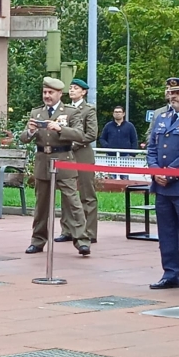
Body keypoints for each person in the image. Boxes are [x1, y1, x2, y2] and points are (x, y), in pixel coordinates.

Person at [20, 77, 91, 256]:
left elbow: (81, 135)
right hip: (43, 161)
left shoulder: (70, 112)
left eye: (50, 93)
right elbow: (23, 138)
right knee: (41, 205)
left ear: (60, 94)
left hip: (64, 160)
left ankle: (82, 240)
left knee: (73, 203)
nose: (47, 96)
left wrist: (60, 129)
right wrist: (30, 131)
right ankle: (37, 240)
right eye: (45, 92)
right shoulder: (36, 112)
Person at [147, 77, 179, 290]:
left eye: (177, 93)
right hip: (162, 187)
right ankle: (171, 273)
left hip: (178, 184)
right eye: (170, 93)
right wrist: (155, 171)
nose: (172, 96)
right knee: (166, 232)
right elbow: (152, 148)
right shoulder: (162, 117)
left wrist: (170, 173)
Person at [57, 79, 99, 244]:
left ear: (84, 92)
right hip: (66, 155)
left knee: (87, 194)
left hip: (82, 154)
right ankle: (67, 230)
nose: (72, 90)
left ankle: (89, 231)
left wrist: (73, 143)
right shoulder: (64, 109)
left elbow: (91, 134)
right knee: (67, 193)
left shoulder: (88, 110)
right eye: (71, 87)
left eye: (76, 88)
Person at [99, 105, 138, 180]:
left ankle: (124, 190)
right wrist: (107, 146)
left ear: (123, 114)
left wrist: (132, 154)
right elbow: (102, 138)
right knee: (111, 176)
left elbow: (134, 140)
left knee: (125, 177)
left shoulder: (130, 126)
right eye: (116, 112)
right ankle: (111, 191)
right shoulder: (108, 126)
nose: (117, 114)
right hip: (111, 156)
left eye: (119, 112)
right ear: (113, 114)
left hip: (125, 156)